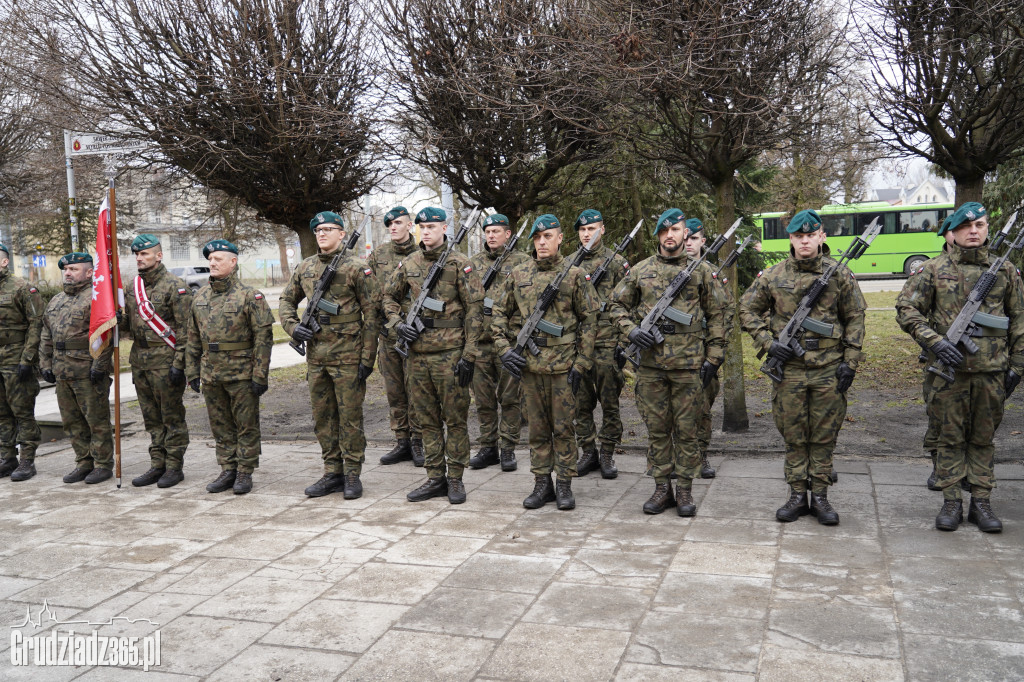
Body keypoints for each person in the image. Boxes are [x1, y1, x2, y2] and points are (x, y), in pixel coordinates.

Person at [896, 202, 1024, 532]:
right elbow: (907, 311)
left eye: (979, 225)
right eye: (966, 227)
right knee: (948, 439)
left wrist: (1017, 368)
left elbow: (1020, 324)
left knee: (983, 439)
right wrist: (934, 342)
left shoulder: (1005, 270)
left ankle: (981, 503)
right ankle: (952, 502)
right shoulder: (933, 270)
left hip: (990, 373)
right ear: (952, 232)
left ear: (986, 229)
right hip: (946, 374)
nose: (973, 232)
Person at [739, 209, 866, 526]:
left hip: (828, 367)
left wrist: (850, 362)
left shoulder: (839, 275)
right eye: (799, 236)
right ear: (791, 239)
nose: (805, 241)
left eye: (811, 235)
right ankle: (797, 495)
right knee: (794, 435)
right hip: (791, 369)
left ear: (821, 236)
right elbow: (746, 311)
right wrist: (770, 344)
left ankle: (820, 496)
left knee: (824, 436)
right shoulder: (773, 276)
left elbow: (855, 318)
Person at [608, 209, 725, 516]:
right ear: (658, 236)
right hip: (651, 368)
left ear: (686, 233)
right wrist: (632, 330)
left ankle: (684, 491)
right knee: (658, 430)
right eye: (664, 231)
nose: (670, 235)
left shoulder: (702, 270)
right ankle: (662, 488)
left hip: (689, 366)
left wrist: (714, 357)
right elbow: (615, 305)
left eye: (675, 230)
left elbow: (718, 316)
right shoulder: (640, 270)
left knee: (687, 431)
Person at [491, 214, 598, 510]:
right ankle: (542, 484)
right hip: (529, 367)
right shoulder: (519, 273)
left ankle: (564, 484)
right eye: (537, 238)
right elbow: (497, 311)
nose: (541, 242)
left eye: (547, 236)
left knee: (564, 428)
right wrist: (503, 348)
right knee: (537, 430)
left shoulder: (574, 275)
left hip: (564, 367)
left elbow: (590, 321)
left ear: (560, 238)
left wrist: (582, 363)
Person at [383, 207, 483, 504]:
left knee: (454, 419)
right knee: (426, 420)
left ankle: (455, 478)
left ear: (444, 228)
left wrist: (469, 355)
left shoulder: (460, 263)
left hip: (451, 354)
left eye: (431, 227)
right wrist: (398, 324)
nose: (425, 232)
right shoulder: (409, 262)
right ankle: (434, 476)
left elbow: (476, 311)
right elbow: (387, 296)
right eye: (422, 227)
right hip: (417, 356)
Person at [280, 212, 380, 499]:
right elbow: (286, 300)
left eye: (328, 229)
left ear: (341, 234)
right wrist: (293, 327)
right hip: (317, 357)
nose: (322, 234)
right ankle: (331, 471)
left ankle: (352, 474)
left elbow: (372, 314)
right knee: (323, 417)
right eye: (318, 230)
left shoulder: (357, 268)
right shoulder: (306, 267)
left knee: (350, 417)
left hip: (348, 356)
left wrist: (367, 358)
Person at [185, 240, 274, 495]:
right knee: (220, 424)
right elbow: (192, 337)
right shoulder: (200, 297)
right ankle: (227, 468)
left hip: (242, 373)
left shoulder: (250, 296)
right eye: (210, 259)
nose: (213, 263)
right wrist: (192, 371)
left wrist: (260, 374)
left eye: (219, 259)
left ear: (233, 262)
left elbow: (263, 338)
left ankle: (245, 471)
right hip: (211, 373)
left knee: (245, 424)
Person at [120, 234, 192, 488]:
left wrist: (179, 364)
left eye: (145, 254)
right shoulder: (132, 287)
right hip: (140, 361)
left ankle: (174, 466)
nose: (139, 258)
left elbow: (186, 330)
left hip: (166, 359)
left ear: (158, 256)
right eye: (137, 254)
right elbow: (127, 326)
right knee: (150, 417)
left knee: (171, 416)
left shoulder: (175, 286)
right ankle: (157, 464)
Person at [40, 252, 114, 484]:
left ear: (90, 272)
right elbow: (46, 334)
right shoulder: (56, 300)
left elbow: (106, 335)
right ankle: (84, 462)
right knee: (71, 421)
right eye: (66, 269)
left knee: (96, 420)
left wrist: (100, 365)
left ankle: (102, 464)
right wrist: (45, 363)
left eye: (73, 269)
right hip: (63, 370)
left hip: (86, 369)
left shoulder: (97, 299)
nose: (68, 273)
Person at [467, 213, 528, 472]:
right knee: (483, 400)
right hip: (480, 343)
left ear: (508, 234)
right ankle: (488, 447)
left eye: (497, 231)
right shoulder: (473, 264)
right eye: (488, 231)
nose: (491, 236)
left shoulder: (524, 262)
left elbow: (528, 301)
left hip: (509, 343)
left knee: (510, 398)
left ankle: (508, 448)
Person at [573, 209, 628, 480]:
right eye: (582, 230)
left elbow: (630, 306)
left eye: (592, 229)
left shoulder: (618, 263)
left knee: (610, 403)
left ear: (602, 230)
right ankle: (588, 451)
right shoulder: (569, 264)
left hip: (608, 344)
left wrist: (623, 343)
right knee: (580, 404)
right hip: (577, 346)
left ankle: (607, 452)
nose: (586, 234)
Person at [368, 206, 423, 466]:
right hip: (388, 335)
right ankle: (402, 440)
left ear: (410, 225)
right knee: (395, 391)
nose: (392, 227)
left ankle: (419, 441)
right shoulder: (378, 255)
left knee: (417, 391)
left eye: (398, 222)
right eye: (389, 223)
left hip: (416, 336)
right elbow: (368, 293)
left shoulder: (422, 254)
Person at [682, 218, 727, 479]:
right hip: (676, 355)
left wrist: (716, 355)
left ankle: (701, 454)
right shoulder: (671, 271)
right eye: (685, 238)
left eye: (694, 238)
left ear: (703, 241)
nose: (688, 243)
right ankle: (676, 456)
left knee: (703, 409)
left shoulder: (712, 273)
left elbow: (725, 315)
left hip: (704, 355)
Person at [0, 243, 43, 482]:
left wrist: (28, 359)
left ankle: (27, 459)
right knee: (2, 413)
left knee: (22, 411)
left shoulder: (22, 288)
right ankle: (7, 458)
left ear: (5, 261)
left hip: (15, 358)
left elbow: (36, 324)